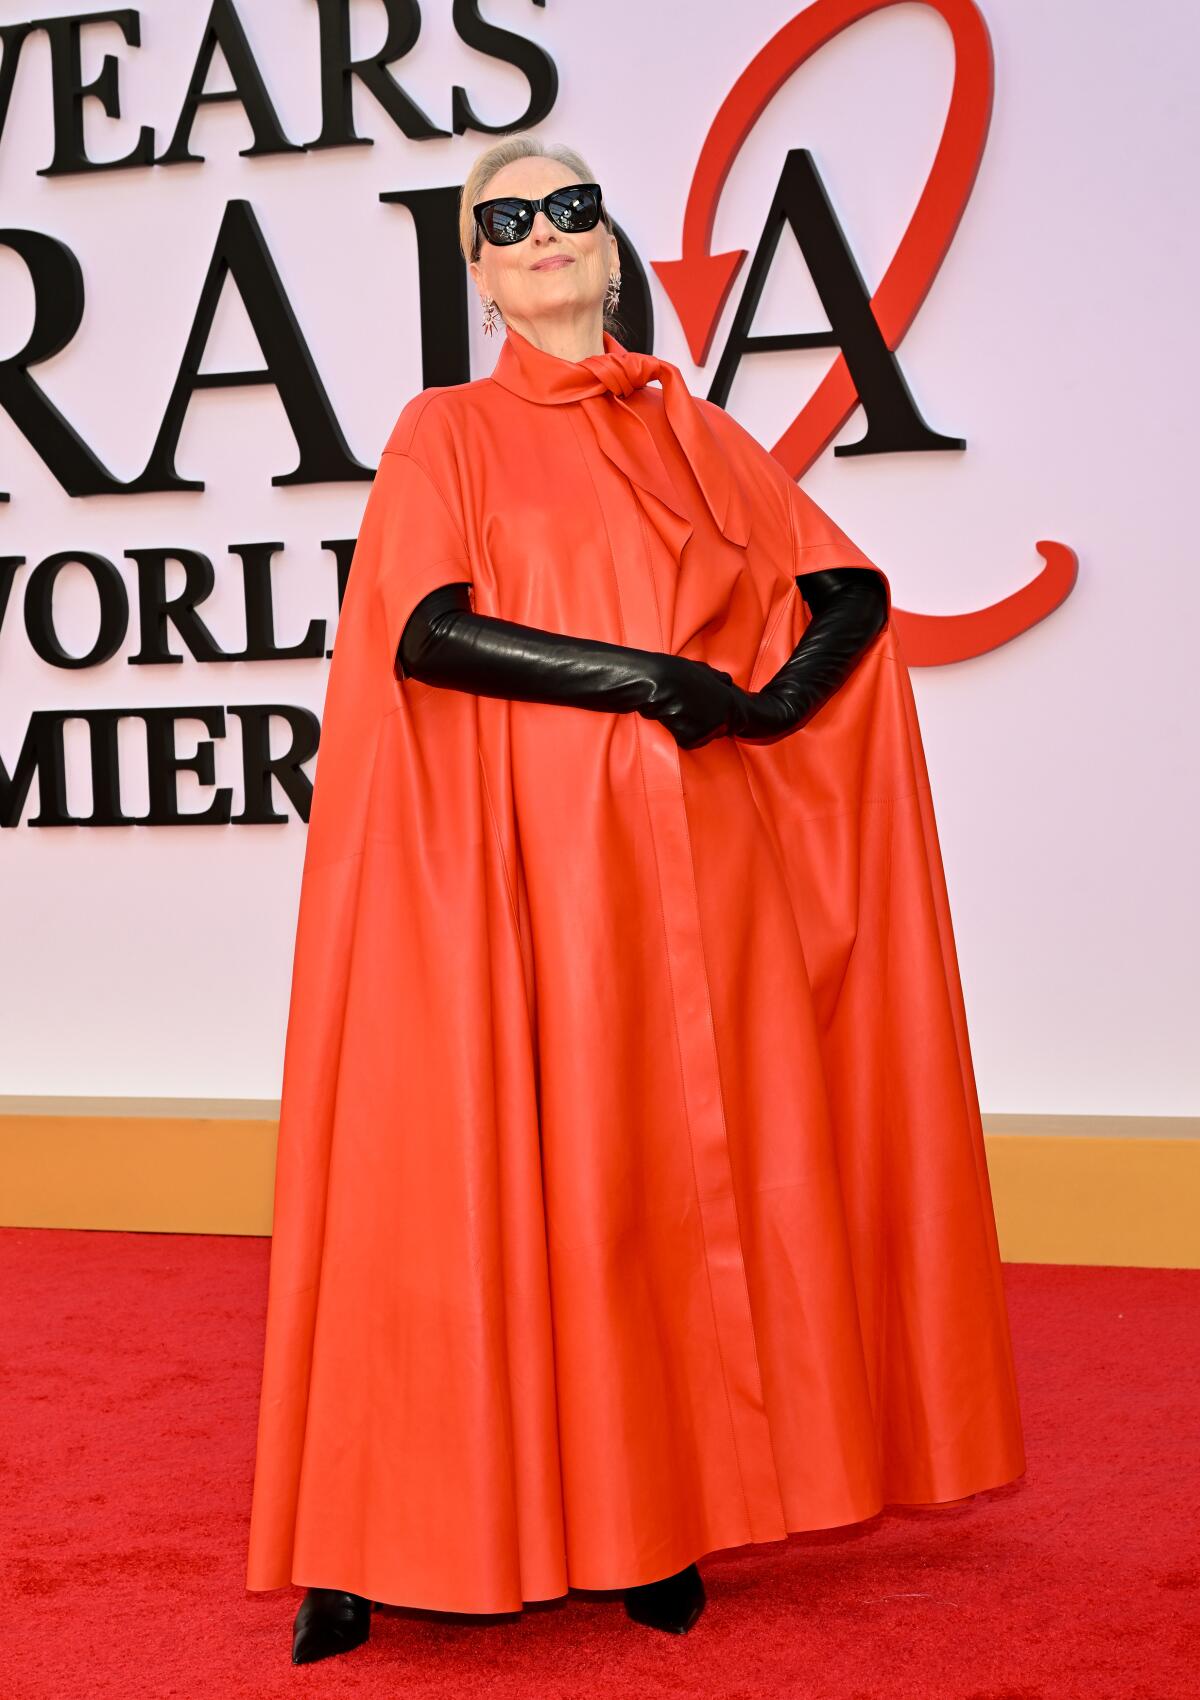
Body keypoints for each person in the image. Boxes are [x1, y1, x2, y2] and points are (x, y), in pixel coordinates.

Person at [245, 138, 1025, 1666]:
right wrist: (652, 680)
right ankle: (385, 1532)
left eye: (567, 212)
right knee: (493, 1178)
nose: (541, 237)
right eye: (505, 223)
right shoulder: (443, 430)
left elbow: (848, 588)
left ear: (615, 252)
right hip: (519, 872)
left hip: (691, 875)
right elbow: (424, 631)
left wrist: (767, 707)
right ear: (476, 273)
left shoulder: (692, 427)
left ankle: (653, 1516)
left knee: (667, 1190)